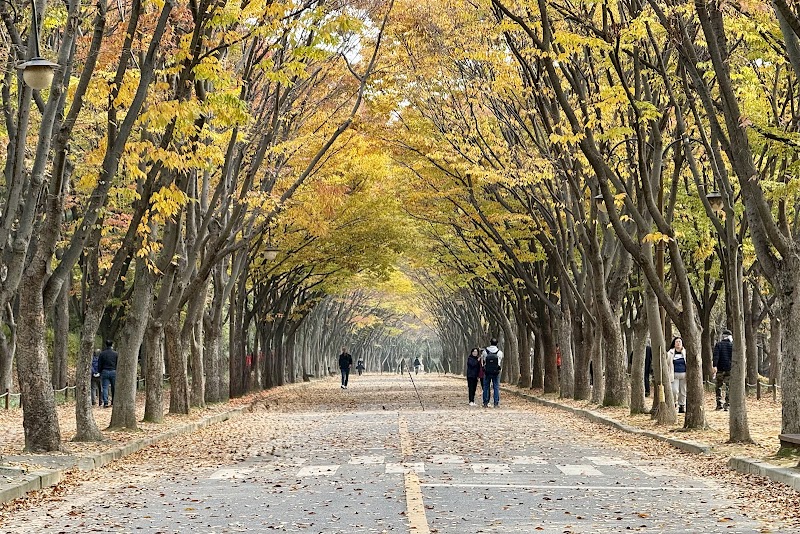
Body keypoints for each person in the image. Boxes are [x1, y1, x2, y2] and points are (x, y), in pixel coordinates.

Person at [713, 329, 733, 411]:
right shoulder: (732, 345)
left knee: (718, 386)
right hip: (729, 369)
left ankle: (719, 404)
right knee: (729, 386)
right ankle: (727, 404)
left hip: (720, 369)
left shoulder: (718, 345)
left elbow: (716, 356)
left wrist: (715, 366)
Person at [481, 338, 503, 408]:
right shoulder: (499, 352)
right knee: (496, 387)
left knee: (486, 387)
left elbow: (483, 360)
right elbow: (500, 361)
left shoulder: (485, 351)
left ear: (490, 342)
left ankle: (485, 402)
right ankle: (496, 403)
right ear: (497, 343)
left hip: (487, 372)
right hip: (496, 372)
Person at [668, 336, 687, 414]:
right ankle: (674, 403)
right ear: (674, 343)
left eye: (679, 342)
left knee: (683, 391)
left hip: (684, 375)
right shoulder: (670, 353)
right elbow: (667, 363)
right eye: (676, 342)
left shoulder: (685, 352)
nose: (678, 343)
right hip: (674, 375)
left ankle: (682, 405)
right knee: (674, 391)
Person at [98, 340, 118, 408]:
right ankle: (113, 401)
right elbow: (117, 363)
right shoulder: (115, 354)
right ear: (112, 345)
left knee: (105, 387)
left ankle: (105, 402)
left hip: (105, 371)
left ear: (106, 345)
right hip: (113, 371)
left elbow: (99, 364)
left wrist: (99, 371)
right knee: (114, 387)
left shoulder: (102, 354)